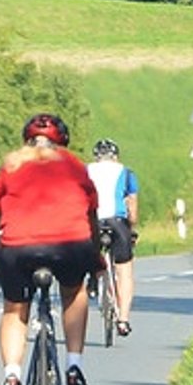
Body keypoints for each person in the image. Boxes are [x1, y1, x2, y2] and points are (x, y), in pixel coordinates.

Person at [0, 112, 100, 385]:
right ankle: (74, 366)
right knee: (73, 293)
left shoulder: (11, 165)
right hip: (70, 245)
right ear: (61, 142)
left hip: (18, 248)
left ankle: (11, 377)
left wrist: (0, 253)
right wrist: (96, 257)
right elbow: (91, 212)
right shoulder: (75, 165)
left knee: (14, 309)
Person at [85, 137, 140, 336]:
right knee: (124, 271)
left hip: (92, 222)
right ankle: (123, 320)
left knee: (89, 254)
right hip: (117, 223)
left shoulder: (85, 171)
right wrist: (131, 228)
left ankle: (94, 278)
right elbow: (132, 209)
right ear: (116, 157)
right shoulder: (126, 173)